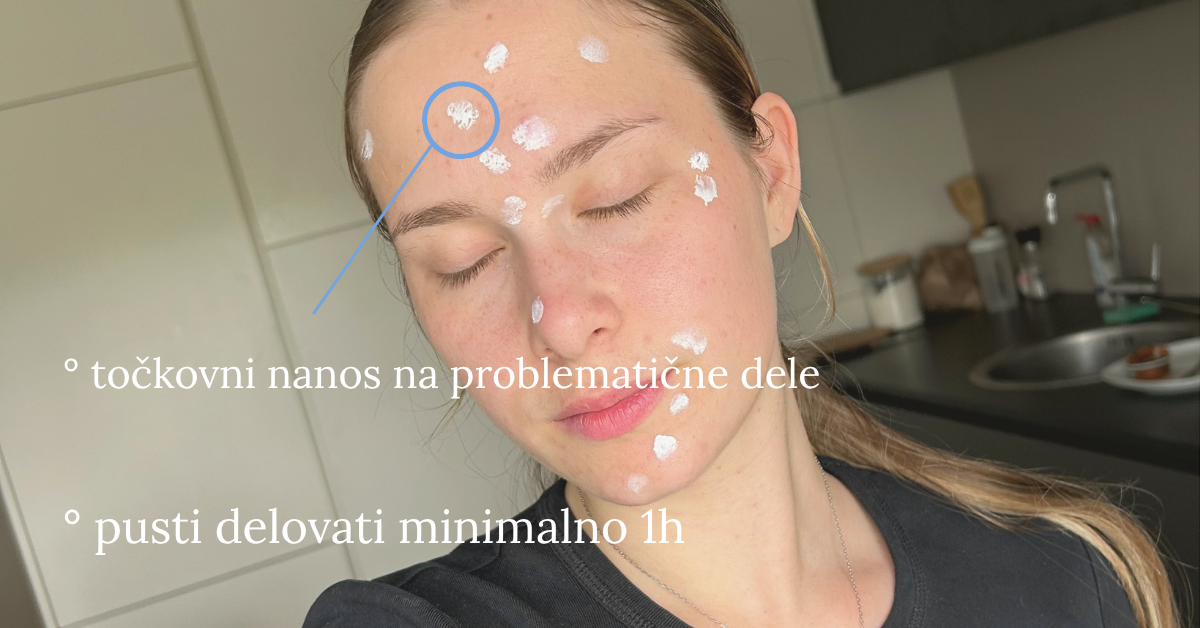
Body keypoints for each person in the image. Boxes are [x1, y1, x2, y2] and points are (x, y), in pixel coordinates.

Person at [304, 0, 1178, 626]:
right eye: (463, 262)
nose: (560, 323)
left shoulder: (1066, 577)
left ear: (771, 171)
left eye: (616, 197)